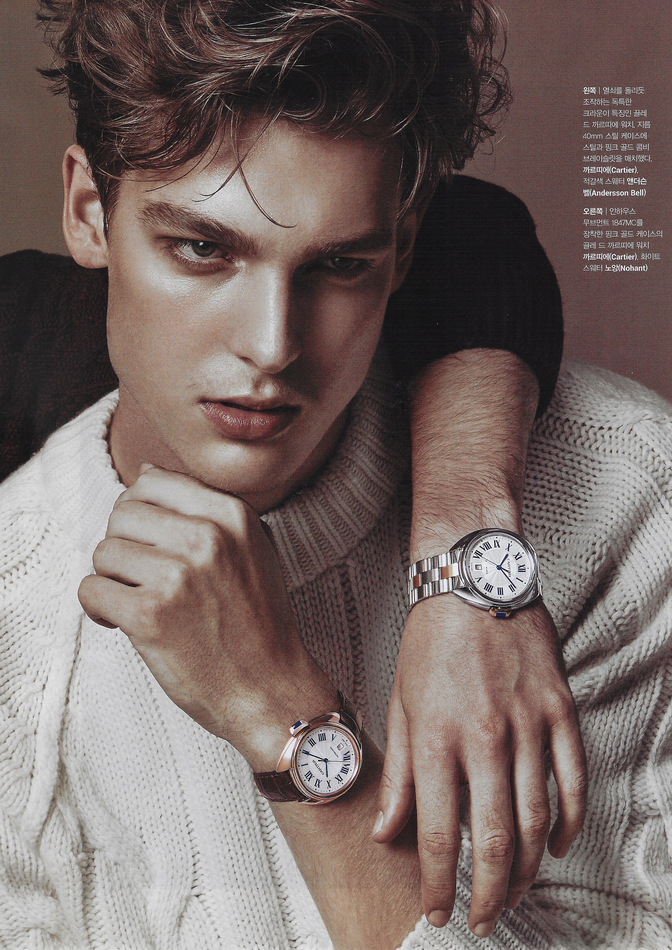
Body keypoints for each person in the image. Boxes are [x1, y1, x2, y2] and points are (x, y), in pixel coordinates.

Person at [5, 0, 670, 947]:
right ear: (87, 213)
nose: (272, 346)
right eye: (203, 249)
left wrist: (278, 710)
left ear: (404, 248)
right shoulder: (15, 614)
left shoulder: (628, 505)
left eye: (338, 264)